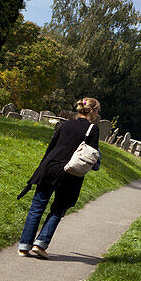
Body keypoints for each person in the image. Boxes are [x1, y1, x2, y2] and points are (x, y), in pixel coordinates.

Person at [17, 97, 102, 258]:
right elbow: (91, 154)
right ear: (91, 111)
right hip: (69, 173)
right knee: (59, 208)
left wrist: (39, 170)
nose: (98, 114)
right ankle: (40, 244)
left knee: (37, 207)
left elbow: (51, 147)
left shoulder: (64, 124)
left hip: (49, 168)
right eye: (97, 111)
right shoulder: (92, 129)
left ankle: (24, 246)